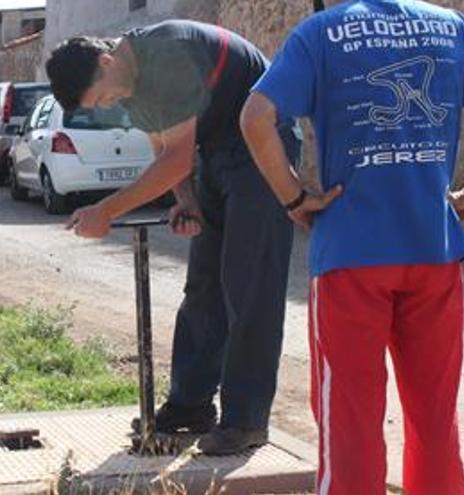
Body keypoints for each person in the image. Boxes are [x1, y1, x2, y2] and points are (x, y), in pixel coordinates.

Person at [240, 0, 464, 492]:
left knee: (350, 422)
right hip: (434, 250)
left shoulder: (319, 33)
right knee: (434, 420)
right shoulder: (453, 28)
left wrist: (293, 197)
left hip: (349, 256)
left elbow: (255, 117)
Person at [45, 20, 302, 455]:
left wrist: (105, 211)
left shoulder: (166, 57)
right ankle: (191, 406)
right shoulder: (129, 82)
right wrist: (185, 200)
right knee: (204, 284)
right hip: (217, 148)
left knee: (249, 284)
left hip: (263, 139)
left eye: (103, 95)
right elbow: (166, 151)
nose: (110, 104)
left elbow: (177, 159)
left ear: (107, 62)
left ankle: (246, 420)